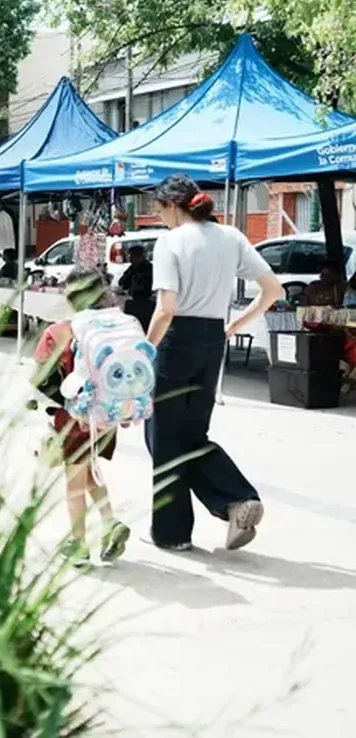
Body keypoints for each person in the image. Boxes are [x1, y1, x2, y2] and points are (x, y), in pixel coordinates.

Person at [145, 174, 284, 551]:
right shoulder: (232, 237)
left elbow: (166, 309)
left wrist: (144, 352)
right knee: (191, 435)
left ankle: (173, 535)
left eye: (159, 211)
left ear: (173, 205)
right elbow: (274, 291)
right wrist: (235, 325)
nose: (160, 219)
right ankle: (237, 497)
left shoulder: (170, 242)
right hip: (211, 341)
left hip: (176, 343)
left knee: (164, 439)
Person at [33, 266, 131, 567]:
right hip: (107, 417)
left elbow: (40, 378)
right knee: (89, 470)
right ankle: (110, 522)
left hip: (73, 420)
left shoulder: (58, 331)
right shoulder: (113, 329)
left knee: (74, 483)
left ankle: (78, 544)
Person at [118, 244, 155, 330]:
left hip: (145, 301)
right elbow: (122, 282)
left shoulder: (148, 268)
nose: (130, 258)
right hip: (135, 301)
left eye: (131, 256)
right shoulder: (132, 268)